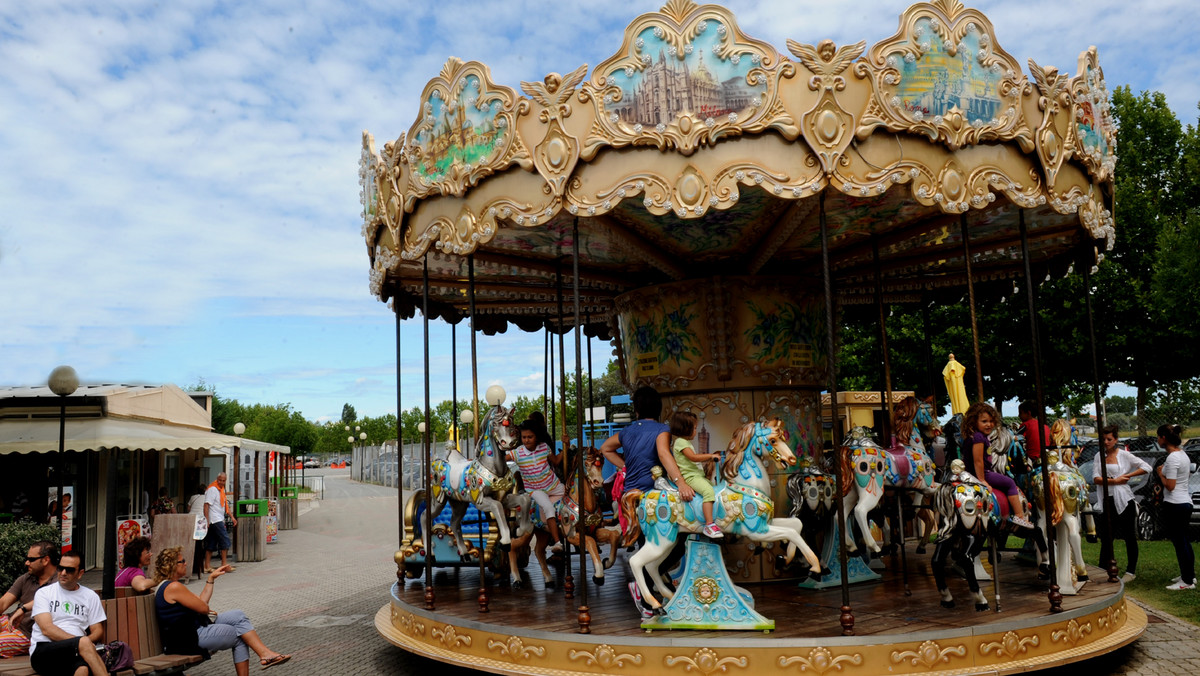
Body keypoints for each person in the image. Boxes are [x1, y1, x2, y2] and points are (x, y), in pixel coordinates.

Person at [598, 386, 693, 617]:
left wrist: (626, 466)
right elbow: (663, 454)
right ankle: (645, 594)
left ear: (636, 409)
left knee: (647, 544)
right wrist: (680, 482)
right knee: (680, 536)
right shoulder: (662, 430)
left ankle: (651, 587)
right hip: (654, 492)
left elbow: (605, 449)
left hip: (632, 492)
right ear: (658, 408)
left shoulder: (627, 431)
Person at [151, 547, 291, 674]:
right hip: (187, 638)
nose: (186, 563)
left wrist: (211, 579)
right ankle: (265, 655)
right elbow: (204, 608)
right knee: (240, 635)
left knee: (238, 615)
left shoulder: (169, 586)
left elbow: (201, 604)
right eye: (183, 561)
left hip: (190, 630)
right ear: (173, 566)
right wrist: (203, 608)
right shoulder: (174, 587)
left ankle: (265, 653)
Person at [28, 550, 107, 676]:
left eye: (69, 570)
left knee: (83, 670)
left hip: (75, 652)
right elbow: (47, 629)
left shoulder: (90, 596)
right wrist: (81, 642)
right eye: (60, 568)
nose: (63, 573)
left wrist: (82, 644)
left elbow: (98, 631)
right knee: (84, 644)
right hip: (44, 650)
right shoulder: (44, 593)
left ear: (80, 573)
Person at [961, 402, 1034, 529]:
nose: (988, 424)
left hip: (972, 472)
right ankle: (1019, 516)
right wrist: (982, 480)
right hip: (981, 473)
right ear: (974, 422)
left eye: (991, 421)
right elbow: (978, 461)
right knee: (1010, 483)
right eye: (984, 421)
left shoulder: (975, 435)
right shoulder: (979, 437)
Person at [1092, 425, 1151, 582]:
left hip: (1124, 500)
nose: (1106, 442)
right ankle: (1103, 569)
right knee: (1106, 536)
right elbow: (1096, 478)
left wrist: (1128, 475)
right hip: (1107, 499)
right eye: (1103, 439)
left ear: (1116, 440)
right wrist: (1114, 481)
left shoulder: (1124, 455)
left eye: (1109, 439)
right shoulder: (1099, 456)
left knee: (1128, 536)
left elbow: (1147, 467)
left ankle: (1131, 571)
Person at [509, 421, 566, 549]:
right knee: (548, 508)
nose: (527, 440)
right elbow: (501, 459)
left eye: (530, 437)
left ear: (537, 437)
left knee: (573, 499)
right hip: (536, 489)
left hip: (554, 485)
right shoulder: (518, 453)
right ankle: (557, 542)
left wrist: (565, 446)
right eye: (524, 437)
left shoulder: (544, 447)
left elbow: (556, 461)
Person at [0, 541, 59, 658]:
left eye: (31, 559)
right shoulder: (26, 578)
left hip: (27, 633)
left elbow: (49, 597)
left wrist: (22, 609)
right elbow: (3, 603)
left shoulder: (59, 582)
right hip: (10, 621)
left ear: (46, 560)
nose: (27, 563)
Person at [668, 411, 722, 538]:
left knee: (715, 490)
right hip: (691, 477)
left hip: (697, 476)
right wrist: (710, 456)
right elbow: (693, 457)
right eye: (695, 428)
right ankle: (709, 525)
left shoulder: (685, 442)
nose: (696, 431)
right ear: (686, 428)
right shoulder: (681, 442)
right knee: (708, 491)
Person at [1156, 424, 1195, 590]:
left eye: (1158, 436)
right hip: (1184, 501)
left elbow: (1170, 485)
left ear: (1164, 438)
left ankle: (1186, 582)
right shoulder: (1182, 454)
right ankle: (1189, 575)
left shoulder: (1172, 458)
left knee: (1180, 543)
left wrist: (1160, 474)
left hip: (1175, 504)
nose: (1157, 440)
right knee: (1184, 541)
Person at [203, 473, 237, 573]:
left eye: (223, 480)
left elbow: (225, 505)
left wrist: (232, 517)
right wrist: (207, 520)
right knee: (225, 540)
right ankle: (224, 565)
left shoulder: (221, 490)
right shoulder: (213, 489)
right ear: (217, 479)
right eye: (220, 480)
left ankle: (207, 566)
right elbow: (206, 505)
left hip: (218, 518)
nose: (221, 482)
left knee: (211, 543)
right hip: (215, 519)